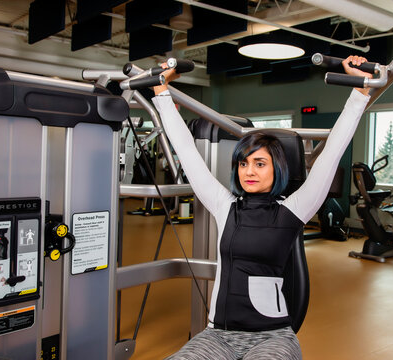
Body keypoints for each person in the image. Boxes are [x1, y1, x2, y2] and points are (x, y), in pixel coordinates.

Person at [152, 56, 372, 360]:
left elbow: (333, 150)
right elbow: (187, 151)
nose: (249, 171)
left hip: (272, 339)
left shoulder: (293, 210)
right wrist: (161, 92)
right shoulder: (225, 206)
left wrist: (360, 93)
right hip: (218, 336)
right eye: (243, 163)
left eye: (259, 163)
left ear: (277, 169)